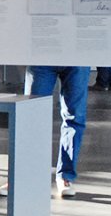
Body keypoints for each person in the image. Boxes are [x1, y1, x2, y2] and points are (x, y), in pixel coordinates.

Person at [26, 66, 88, 198]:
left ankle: (66, 175)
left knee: (75, 117)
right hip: (43, 54)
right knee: (31, 114)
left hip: (77, 57)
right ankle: (22, 176)